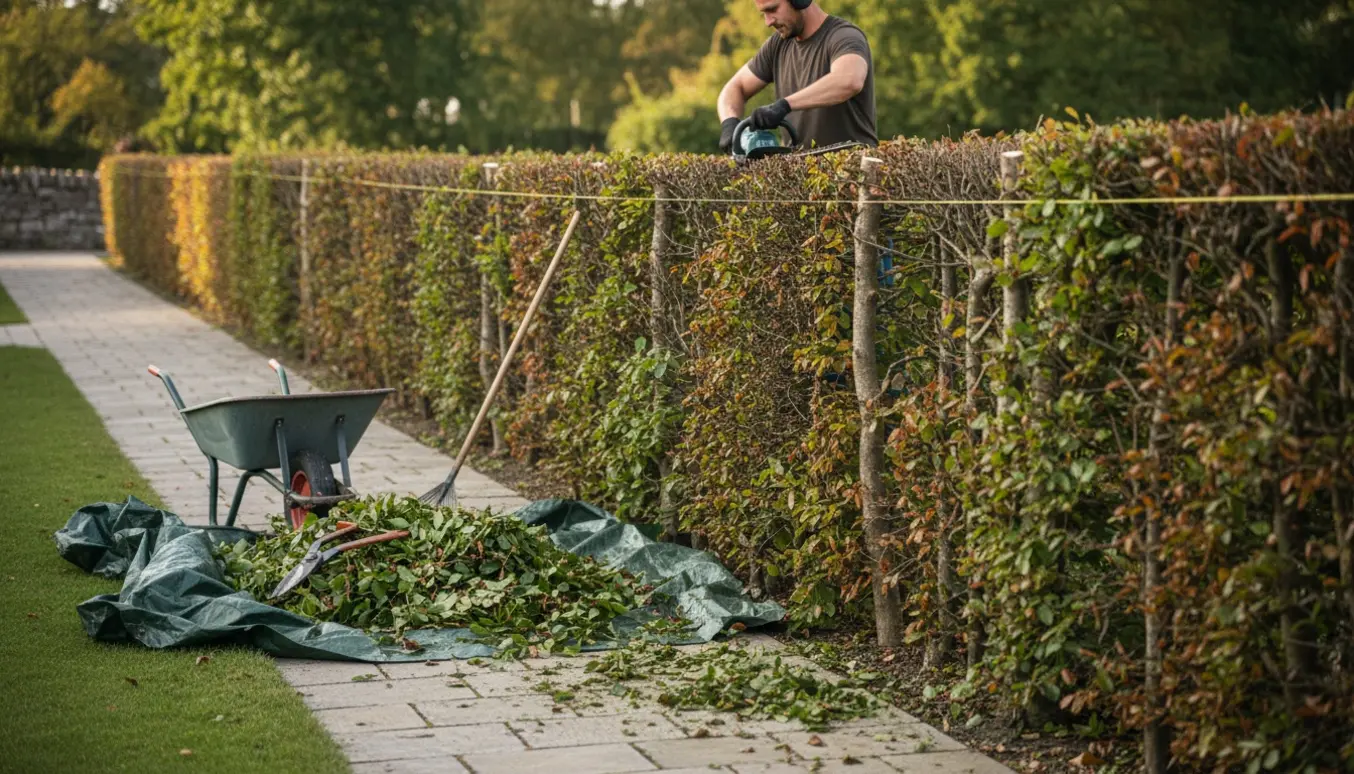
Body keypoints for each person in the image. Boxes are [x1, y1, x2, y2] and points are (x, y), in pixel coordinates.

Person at [717, 0, 877, 154]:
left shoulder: (844, 36)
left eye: (772, 10)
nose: (768, 22)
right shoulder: (777, 45)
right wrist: (729, 124)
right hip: (800, 175)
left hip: (853, 173)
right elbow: (735, 87)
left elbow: (849, 80)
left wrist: (784, 106)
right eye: (764, 13)